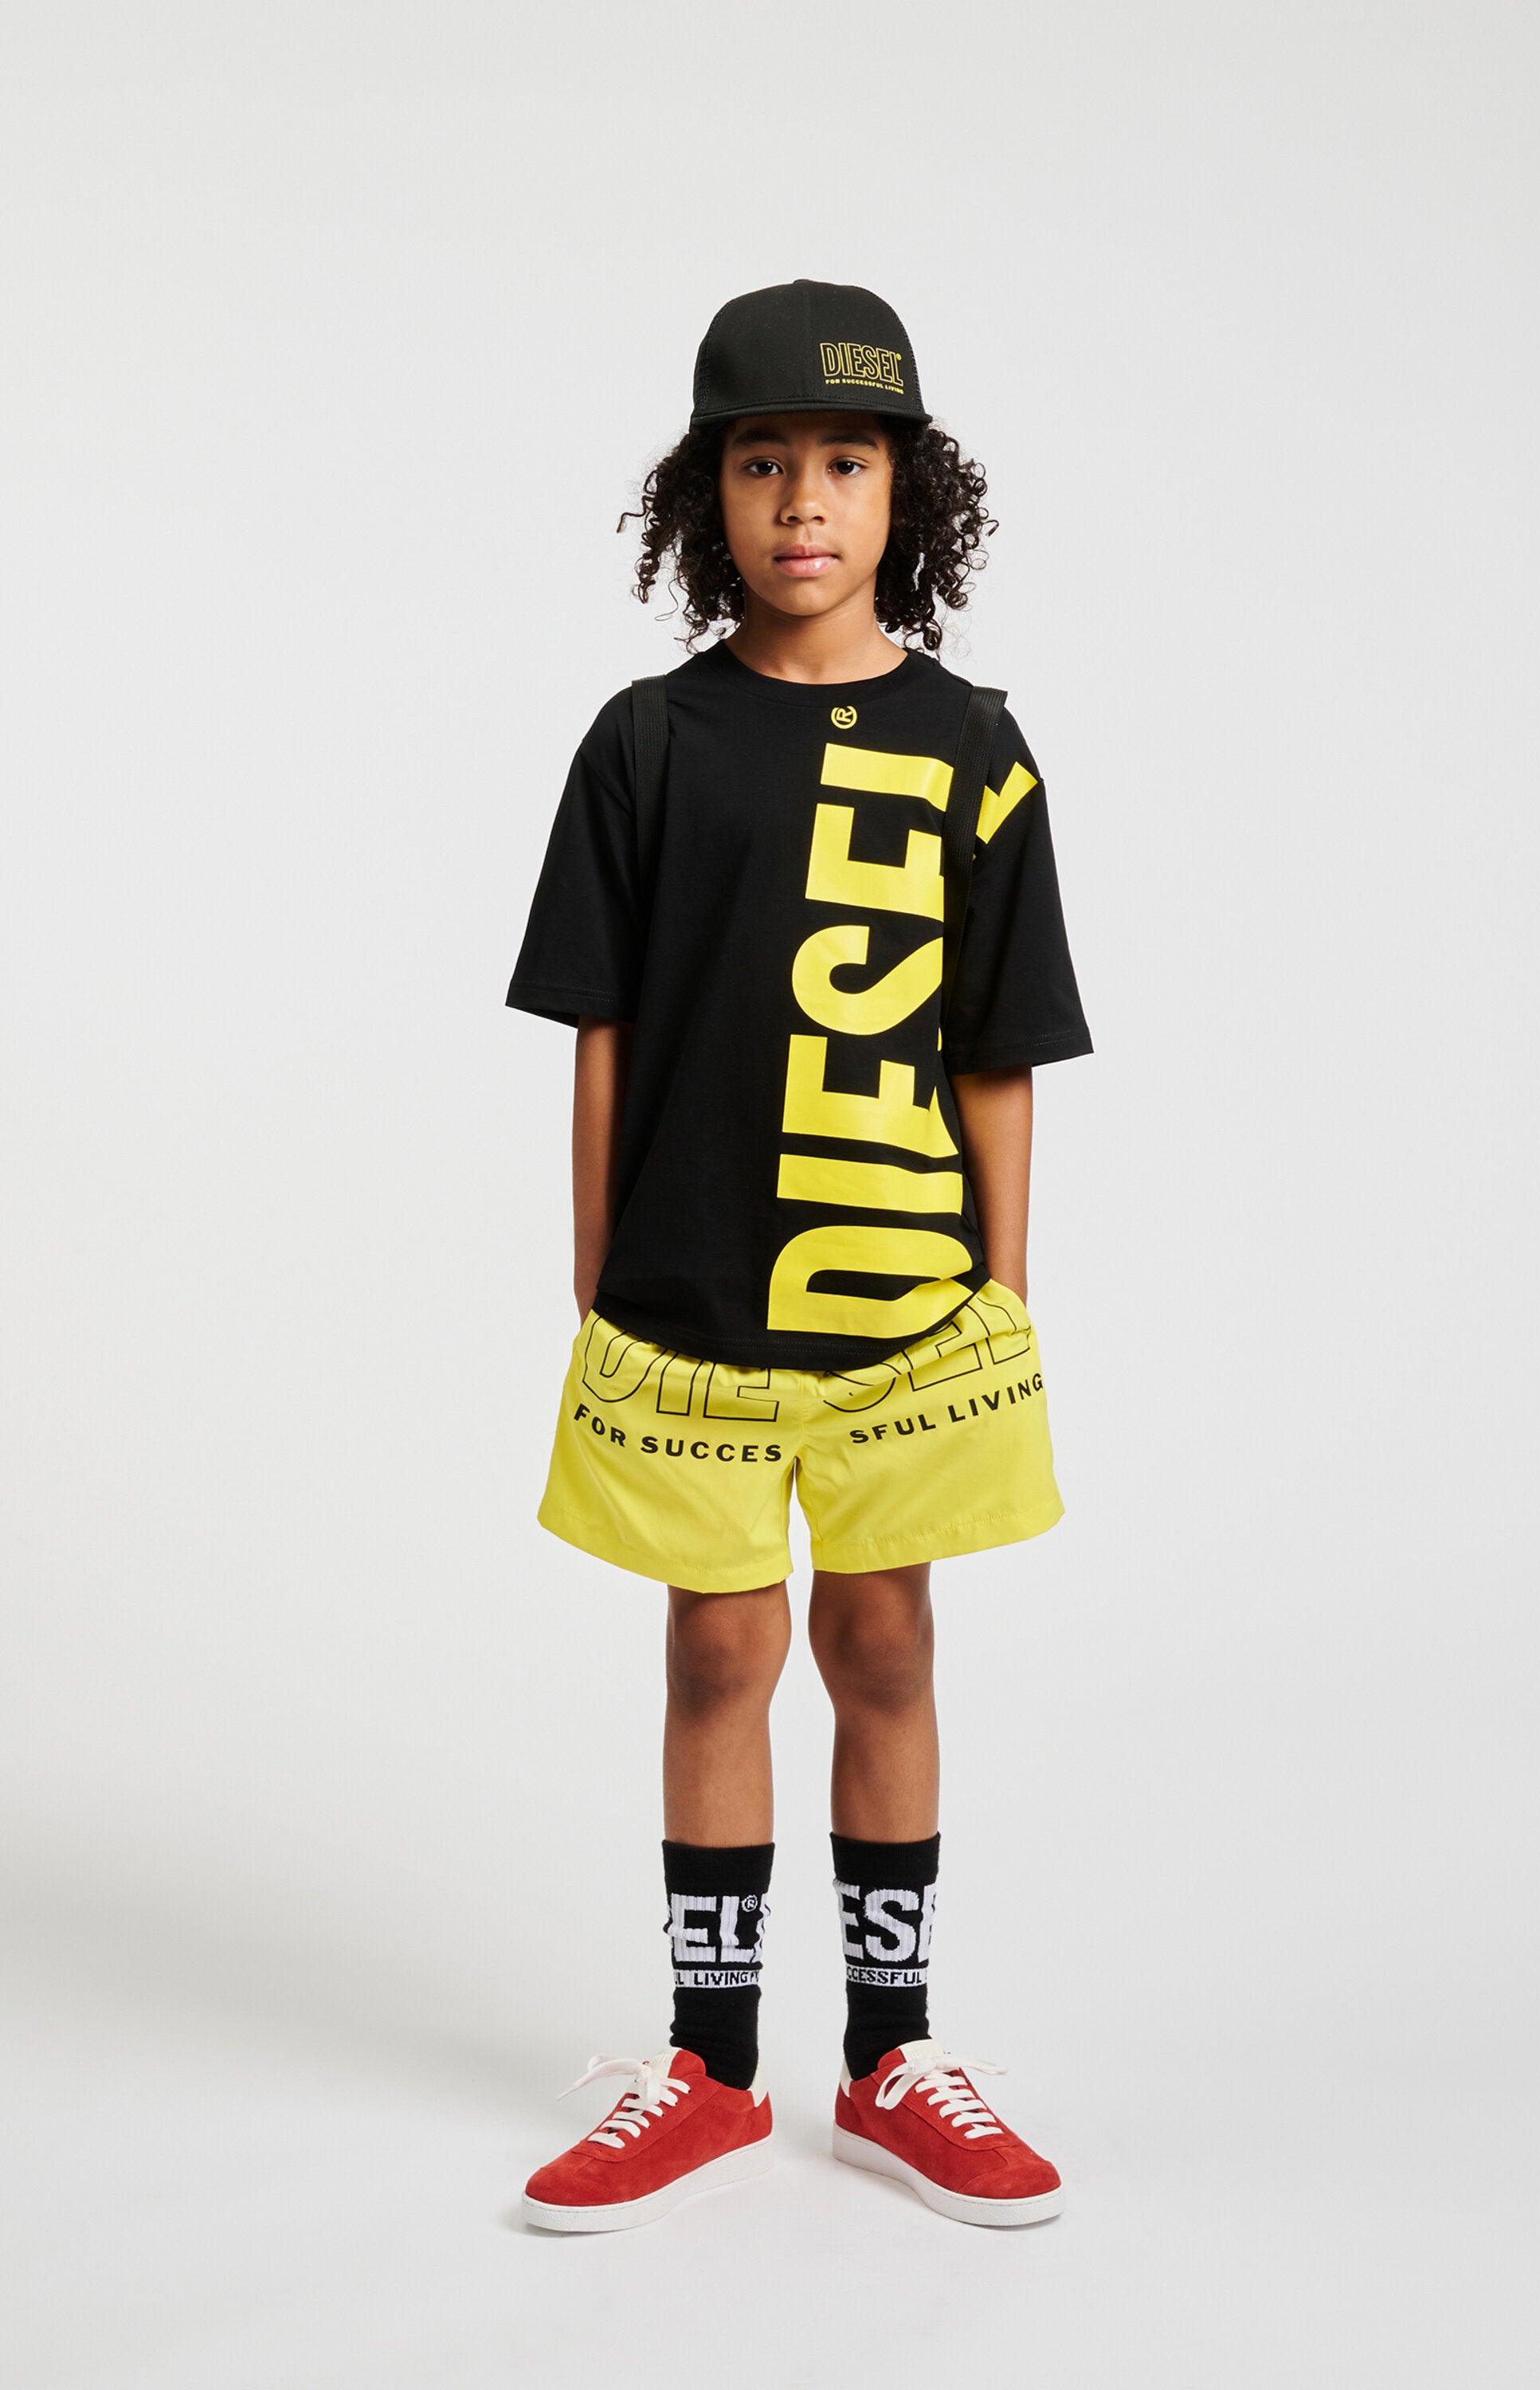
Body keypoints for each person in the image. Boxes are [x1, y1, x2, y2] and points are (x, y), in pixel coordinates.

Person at [506, 281, 1091, 2231]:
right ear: (709, 497)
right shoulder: (646, 739)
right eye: (761, 464)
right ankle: (712, 2066)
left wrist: (1003, 1288)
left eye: (844, 462)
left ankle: (890, 2056)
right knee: (718, 1648)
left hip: (906, 1302)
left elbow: (999, 1048)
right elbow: (601, 1027)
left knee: (884, 1639)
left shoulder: (973, 747)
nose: (803, 502)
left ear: (910, 491)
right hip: (688, 1301)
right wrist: (598, 1266)